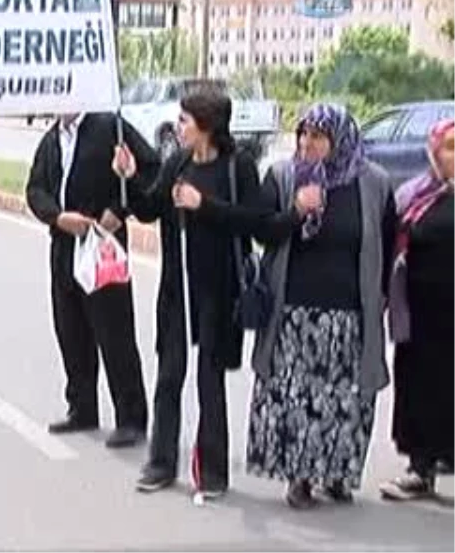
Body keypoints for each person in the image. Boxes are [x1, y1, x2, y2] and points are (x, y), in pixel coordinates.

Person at [112, 91, 264, 500]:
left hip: (219, 289)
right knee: (169, 375)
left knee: (209, 378)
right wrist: (129, 177)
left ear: (207, 125)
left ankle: (212, 469)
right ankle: (161, 462)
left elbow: (255, 221)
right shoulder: (177, 162)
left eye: (185, 121)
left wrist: (205, 205)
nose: (178, 127)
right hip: (177, 290)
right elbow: (149, 208)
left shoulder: (238, 167)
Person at [245, 102, 395, 508]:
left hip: (350, 316)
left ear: (340, 139)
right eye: (302, 134)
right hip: (294, 313)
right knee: (297, 399)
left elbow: (386, 240)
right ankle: (300, 477)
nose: (307, 143)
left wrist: (380, 297)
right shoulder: (283, 176)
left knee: (346, 401)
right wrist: (296, 211)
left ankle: (338, 475)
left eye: (318, 136)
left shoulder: (374, 183)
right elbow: (261, 232)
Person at [26, 112, 157, 448]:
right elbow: (35, 189)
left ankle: (131, 417)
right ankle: (82, 407)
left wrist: (119, 208)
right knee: (70, 329)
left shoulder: (107, 127)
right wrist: (57, 217)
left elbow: (147, 171)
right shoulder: (53, 139)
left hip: (102, 243)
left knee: (114, 331)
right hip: (65, 244)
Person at [381, 118, 455, 501]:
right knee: (419, 387)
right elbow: (392, 244)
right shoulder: (415, 193)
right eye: (449, 147)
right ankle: (420, 467)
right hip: (421, 313)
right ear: (433, 151)